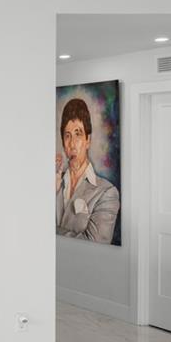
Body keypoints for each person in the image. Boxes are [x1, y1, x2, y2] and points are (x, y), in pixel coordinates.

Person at [55, 96, 120, 244]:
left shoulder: (107, 192)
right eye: (67, 136)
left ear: (88, 140)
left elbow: (95, 243)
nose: (72, 144)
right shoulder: (54, 182)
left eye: (78, 134)